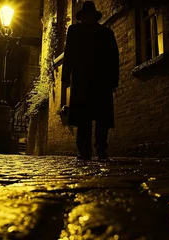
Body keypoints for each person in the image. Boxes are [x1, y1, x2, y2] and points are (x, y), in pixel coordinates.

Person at [61, 1, 119, 160]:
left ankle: (101, 148)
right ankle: (84, 150)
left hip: (101, 80)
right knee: (83, 117)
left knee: (101, 117)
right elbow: (69, 54)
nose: (87, 18)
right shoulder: (75, 31)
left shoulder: (106, 33)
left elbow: (113, 57)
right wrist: (65, 76)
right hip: (82, 80)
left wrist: (114, 80)